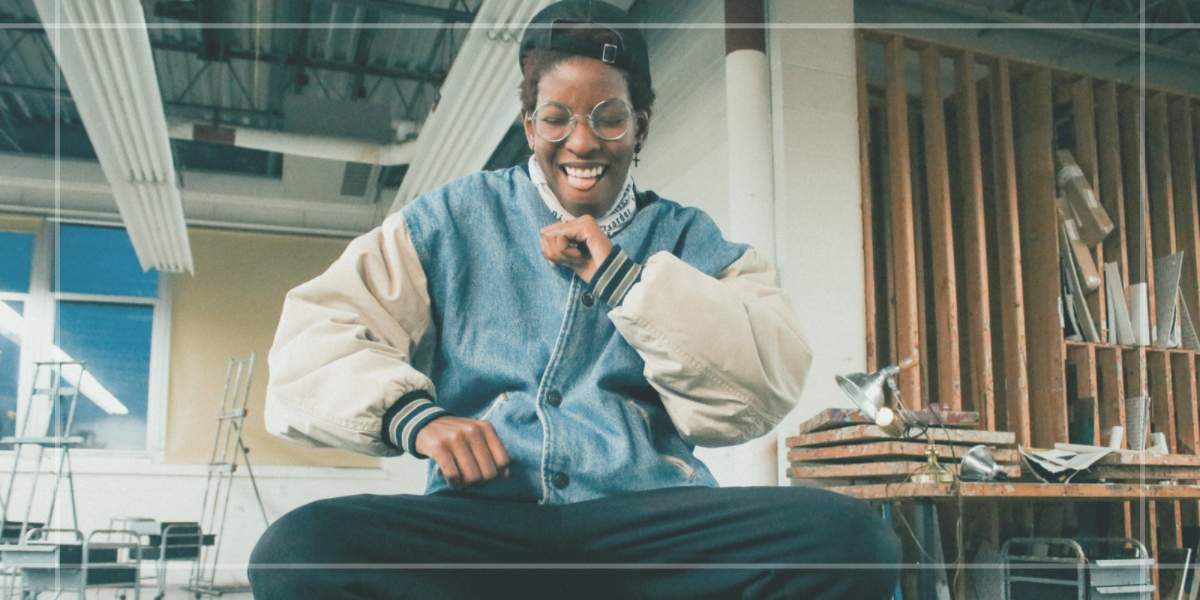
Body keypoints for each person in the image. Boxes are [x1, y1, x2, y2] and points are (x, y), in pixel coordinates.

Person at [248, 1, 900, 598]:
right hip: (483, 527)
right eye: (556, 118)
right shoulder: (450, 218)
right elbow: (318, 336)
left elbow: (764, 385)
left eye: (609, 118)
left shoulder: (689, 237)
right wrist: (414, 418)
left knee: (851, 541)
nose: (582, 143)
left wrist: (625, 280)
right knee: (297, 552)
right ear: (530, 124)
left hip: (648, 530)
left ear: (641, 126)